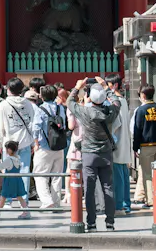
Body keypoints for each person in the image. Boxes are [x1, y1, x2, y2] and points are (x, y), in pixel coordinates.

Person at [68, 77, 119, 232]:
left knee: (89, 190)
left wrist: (77, 87)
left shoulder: (85, 111)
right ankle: (110, 222)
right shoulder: (111, 112)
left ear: (90, 97)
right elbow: (116, 101)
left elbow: (70, 102)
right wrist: (106, 86)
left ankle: (91, 223)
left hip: (89, 154)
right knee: (108, 188)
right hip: (106, 153)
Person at [0, 78, 36, 196]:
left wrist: (0, 143)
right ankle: (24, 201)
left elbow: (0, 127)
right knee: (24, 171)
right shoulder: (28, 103)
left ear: (8, 89)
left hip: (9, 142)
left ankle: (8, 199)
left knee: (9, 171)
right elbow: (32, 123)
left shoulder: (4, 104)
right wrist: (33, 143)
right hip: (25, 140)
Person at [131, 84, 156, 209]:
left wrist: (135, 147)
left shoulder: (141, 110)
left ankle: (152, 200)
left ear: (143, 95)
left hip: (146, 145)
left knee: (147, 174)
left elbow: (137, 130)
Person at [29, 85, 67, 209]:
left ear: (43, 96)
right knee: (57, 176)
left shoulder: (40, 109)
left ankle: (46, 201)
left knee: (40, 175)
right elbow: (64, 125)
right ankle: (56, 202)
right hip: (59, 146)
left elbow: (36, 128)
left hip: (44, 146)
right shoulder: (60, 108)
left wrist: (36, 143)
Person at [104, 75, 133, 213]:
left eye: (108, 84)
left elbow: (115, 124)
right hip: (124, 143)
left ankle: (119, 205)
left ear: (114, 85)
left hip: (117, 143)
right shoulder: (124, 101)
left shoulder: (116, 102)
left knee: (118, 177)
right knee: (124, 175)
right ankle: (126, 204)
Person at [0, 140, 28, 220]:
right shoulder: (18, 159)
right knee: (19, 196)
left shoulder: (9, 160)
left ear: (9, 150)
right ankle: (26, 210)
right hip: (17, 180)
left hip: (9, 181)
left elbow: (0, 167)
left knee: (3, 196)